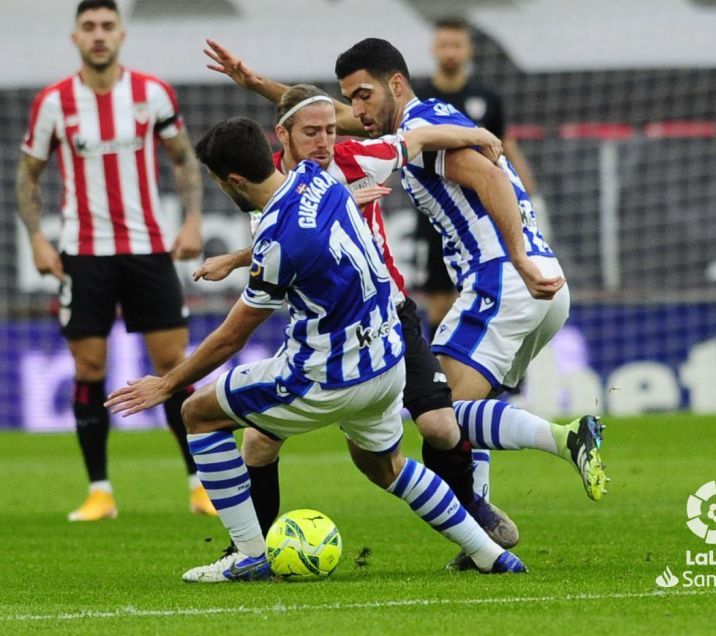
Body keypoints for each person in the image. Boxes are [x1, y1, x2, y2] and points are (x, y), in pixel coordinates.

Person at [105, 116, 527, 581]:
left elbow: (232, 335)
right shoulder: (317, 178)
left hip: (327, 375)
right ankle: (490, 553)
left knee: (198, 414)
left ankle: (247, 554)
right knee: (385, 465)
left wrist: (167, 383)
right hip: (387, 363)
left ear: (234, 181)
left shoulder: (277, 240)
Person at [191, 78, 519, 553]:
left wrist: (477, 135)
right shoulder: (272, 190)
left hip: (390, 317)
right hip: (323, 333)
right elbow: (287, 247)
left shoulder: (353, 162)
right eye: (313, 132)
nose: (326, 141)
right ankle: (250, 548)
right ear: (282, 137)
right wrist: (239, 258)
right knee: (260, 445)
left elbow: (420, 137)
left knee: (440, 428)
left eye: (330, 130)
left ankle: (474, 509)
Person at [332, 41, 607, 530]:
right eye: (349, 98)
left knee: (441, 412)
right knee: (465, 414)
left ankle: (567, 438)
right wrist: (264, 88)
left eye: (363, 95)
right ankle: (482, 534)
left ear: (396, 84)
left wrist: (516, 258)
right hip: (544, 286)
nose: (356, 110)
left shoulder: (421, 133)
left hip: (504, 278)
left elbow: (490, 179)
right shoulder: (432, 119)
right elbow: (331, 119)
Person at [15, 0, 212, 521]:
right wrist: (37, 237)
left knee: (173, 365)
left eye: (107, 26)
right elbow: (28, 174)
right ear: (75, 37)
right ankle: (100, 491)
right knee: (89, 367)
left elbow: (183, 158)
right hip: (84, 255)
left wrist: (193, 220)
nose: (99, 35)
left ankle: (200, 484)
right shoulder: (54, 102)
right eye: (89, 27)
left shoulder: (151, 93)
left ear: (121, 34)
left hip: (148, 249)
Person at [412, 16, 547, 332]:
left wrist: (530, 193)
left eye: (457, 45)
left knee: (493, 299)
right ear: (433, 48)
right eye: (444, 44)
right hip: (437, 217)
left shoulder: (488, 98)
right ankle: (443, 379)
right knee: (441, 308)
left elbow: (505, 147)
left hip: (485, 214)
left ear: (469, 50)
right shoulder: (420, 100)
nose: (450, 52)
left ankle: (502, 381)